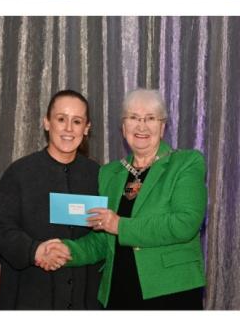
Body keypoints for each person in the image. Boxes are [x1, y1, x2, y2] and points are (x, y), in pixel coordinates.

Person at [43, 88, 206, 309]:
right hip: (119, 291)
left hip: (172, 292)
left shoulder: (186, 163)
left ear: (162, 126)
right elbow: (102, 239)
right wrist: (67, 250)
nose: (141, 126)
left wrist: (120, 225)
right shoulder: (109, 173)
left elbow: (185, 223)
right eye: (133, 118)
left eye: (150, 118)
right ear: (123, 127)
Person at [0, 90, 100, 309]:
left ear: (86, 128)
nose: (68, 128)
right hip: (29, 293)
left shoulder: (98, 175)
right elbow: (1, 228)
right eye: (61, 119)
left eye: (76, 121)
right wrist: (35, 251)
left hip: (83, 295)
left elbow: (103, 236)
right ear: (47, 123)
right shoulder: (19, 173)